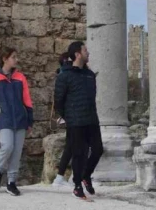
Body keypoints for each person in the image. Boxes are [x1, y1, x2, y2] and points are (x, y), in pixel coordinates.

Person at [0, 47, 33, 196]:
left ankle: (11, 183)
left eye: (16, 57)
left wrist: (29, 120)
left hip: (21, 119)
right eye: (13, 57)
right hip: (3, 119)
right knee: (7, 146)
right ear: (5, 59)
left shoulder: (20, 77)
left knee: (17, 152)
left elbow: (27, 100)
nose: (17, 60)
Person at [54, 41, 103, 200]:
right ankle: (77, 186)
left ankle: (86, 176)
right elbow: (58, 101)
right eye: (85, 50)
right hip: (75, 121)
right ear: (77, 54)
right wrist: (68, 116)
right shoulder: (64, 75)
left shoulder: (90, 75)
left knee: (98, 150)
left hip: (92, 120)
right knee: (78, 154)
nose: (88, 53)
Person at [52, 52, 74, 187]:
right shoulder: (66, 76)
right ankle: (63, 178)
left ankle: (61, 177)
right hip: (73, 116)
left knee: (71, 146)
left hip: (71, 115)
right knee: (73, 145)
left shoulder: (62, 75)